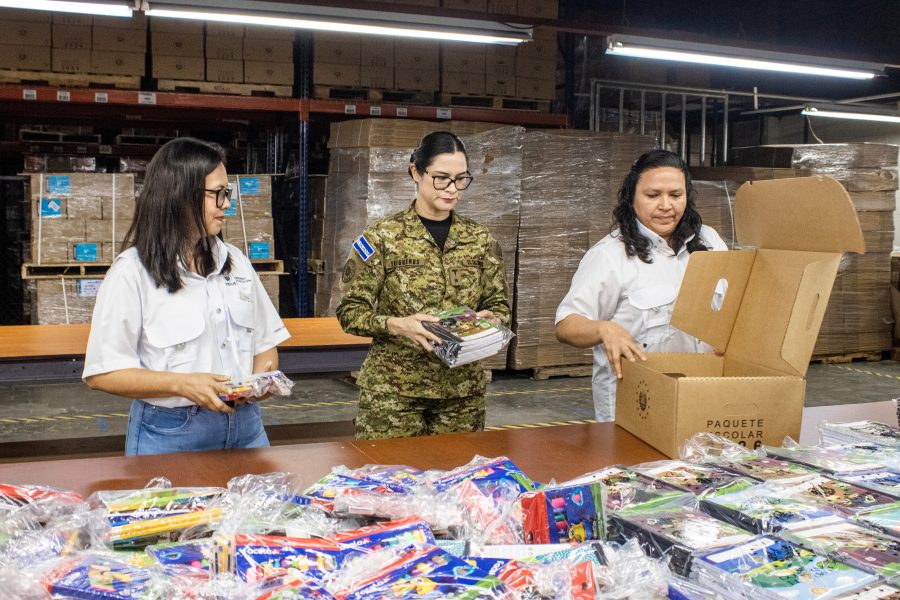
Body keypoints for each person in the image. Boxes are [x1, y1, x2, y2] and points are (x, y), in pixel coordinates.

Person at [83, 137, 290, 456]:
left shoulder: (235, 262)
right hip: (172, 434)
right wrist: (183, 384)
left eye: (228, 193)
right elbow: (102, 373)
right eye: (218, 193)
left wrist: (259, 382)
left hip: (247, 428)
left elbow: (265, 345)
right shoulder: (132, 273)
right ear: (181, 195)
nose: (227, 204)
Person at [337, 130, 510, 440]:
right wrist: (398, 325)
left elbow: (499, 305)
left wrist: (492, 320)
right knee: (389, 471)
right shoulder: (381, 238)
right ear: (416, 172)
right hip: (394, 394)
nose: (452, 189)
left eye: (461, 179)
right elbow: (350, 312)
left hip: (461, 394)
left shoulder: (480, 240)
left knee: (457, 471)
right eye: (441, 178)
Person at [555, 149, 727, 422]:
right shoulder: (609, 256)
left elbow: (731, 304)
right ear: (632, 197)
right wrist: (604, 329)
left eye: (675, 195)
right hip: (637, 407)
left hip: (700, 398)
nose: (666, 205)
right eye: (653, 195)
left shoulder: (709, 241)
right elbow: (566, 325)